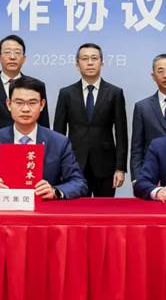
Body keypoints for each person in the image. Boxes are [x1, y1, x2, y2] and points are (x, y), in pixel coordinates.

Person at [0, 77, 87, 199]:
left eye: (32, 103)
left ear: (42, 105)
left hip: (43, 208)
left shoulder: (59, 143)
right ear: (9, 104)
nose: (25, 109)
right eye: (19, 102)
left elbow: (79, 182)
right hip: (4, 208)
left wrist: (55, 192)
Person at [54, 43, 127, 197]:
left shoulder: (115, 93)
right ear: (77, 64)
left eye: (94, 58)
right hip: (74, 164)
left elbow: (121, 134)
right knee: (76, 210)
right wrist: (58, 166)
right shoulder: (66, 93)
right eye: (85, 59)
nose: (90, 63)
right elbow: (58, 133)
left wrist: (120, 168)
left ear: (102, 62)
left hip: (106, 165)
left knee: (105, 210)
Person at [0, 34, 50, 152]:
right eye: (7, 52)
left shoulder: (37, 86)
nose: (12, 57)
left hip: (30, 152)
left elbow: (44, 125)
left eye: (17, 53)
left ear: (24, 58)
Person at [130, 54, 166, 181]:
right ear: (153, 76)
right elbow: (137, 148)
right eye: (160, 71)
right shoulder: (142, 107)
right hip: (152, 173)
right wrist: (137, 179)